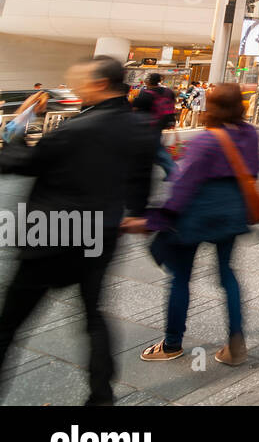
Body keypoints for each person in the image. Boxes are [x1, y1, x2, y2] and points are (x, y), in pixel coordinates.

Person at [0, 56, 155, 405]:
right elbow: (142, 179)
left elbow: (17, 163)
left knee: (9, 323)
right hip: (101, 235)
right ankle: (101, 395)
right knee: (93, 317)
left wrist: (20, 124)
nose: (74, 89)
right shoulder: (137, 127)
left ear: (100, 83)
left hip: (52, 236)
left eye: (79, 82)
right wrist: (136, 214)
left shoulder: (75, 130)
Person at [122, 82, 256, 366]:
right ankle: (236, 342)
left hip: (195, 218)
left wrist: (157, 218)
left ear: (212, 107)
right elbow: (254, 172)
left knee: (180, 278)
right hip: (232, 215)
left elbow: (183, 187)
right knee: (227, 275)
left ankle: (171, 343)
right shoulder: (250, 135)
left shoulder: (205, 141)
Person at [132, 72, 178, 180]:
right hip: (162, 122)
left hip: (147, 125)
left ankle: (173, 171)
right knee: (154, 148)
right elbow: (172, 105)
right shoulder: (168, 91)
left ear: (148, 81)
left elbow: (135, 108)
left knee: (157, 150)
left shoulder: (145, 94)